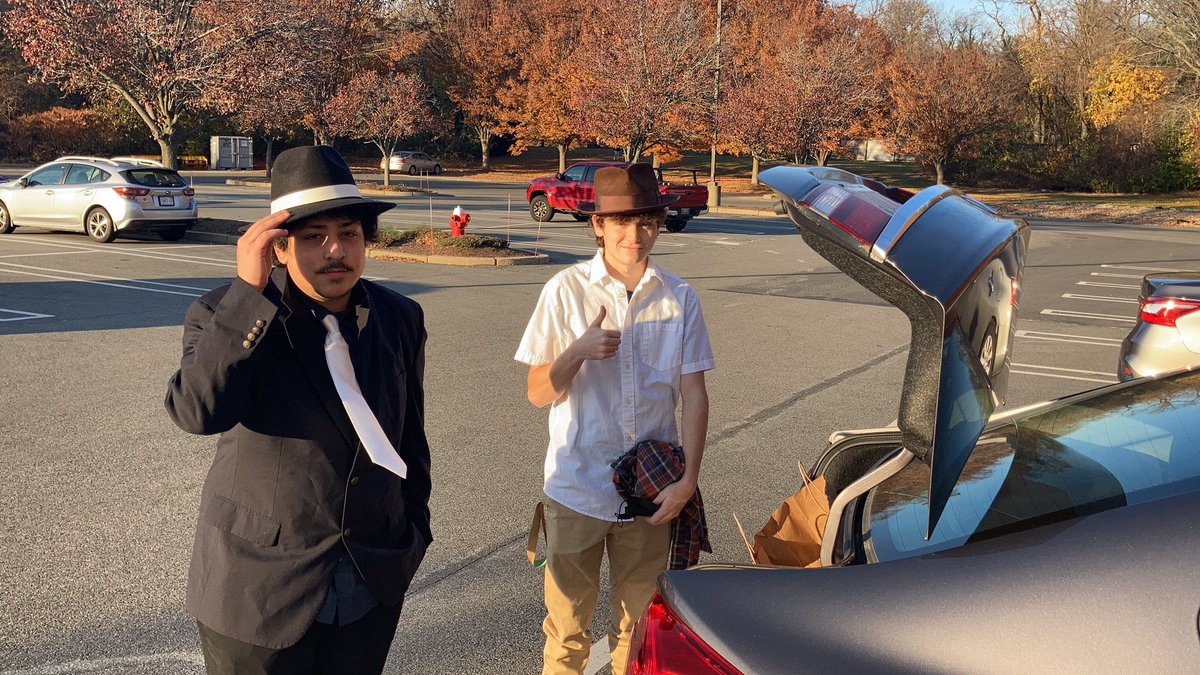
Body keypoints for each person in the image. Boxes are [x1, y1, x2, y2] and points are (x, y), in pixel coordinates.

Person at [165, 145, 432, 675]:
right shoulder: (227, 314)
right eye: (313, 238)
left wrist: (412, 532)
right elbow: (196, 411)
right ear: (279, 249)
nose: (336, 250)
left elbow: (409, 434)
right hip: (257, 591)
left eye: (349, 234)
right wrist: (249, 292)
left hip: (370, 580)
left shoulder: (399, 316)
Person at [514, 164, 715, 675]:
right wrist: (575, 352)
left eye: (646, 220)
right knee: (566, 633)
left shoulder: (680, 298)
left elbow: (694, 395)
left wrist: (688, 481)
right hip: (577, 486)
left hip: (650, 493)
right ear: (598, 226)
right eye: (621, 222)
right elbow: (538, 393)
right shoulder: (565, 291)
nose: (634, 234)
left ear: (658, 222)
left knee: (639, 632)